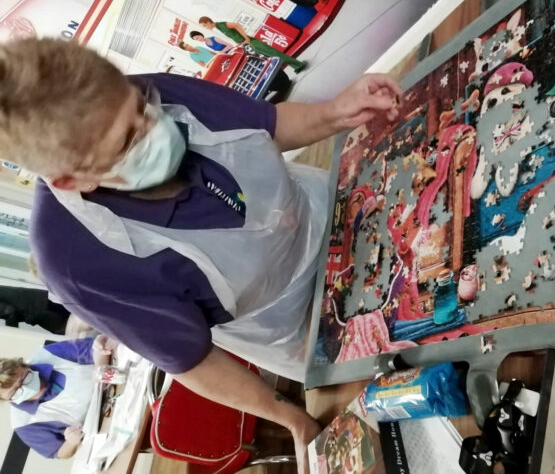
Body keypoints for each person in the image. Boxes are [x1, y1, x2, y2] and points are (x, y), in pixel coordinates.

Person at [0, 38, 401, 473]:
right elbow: (194, 362)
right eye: (129, 141)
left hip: (342, 214)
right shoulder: (76, 263)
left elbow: (266, 124)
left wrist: (336, 111)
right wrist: (291, 417)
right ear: (71, 180)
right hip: (303, 326)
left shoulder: (132, 95)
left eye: (142, 104)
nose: (155, 126)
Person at [0, 335, 114, 459]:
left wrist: (101, 370)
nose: (26, 389)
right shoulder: (23, 423)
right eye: (15, 392)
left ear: (25, 366)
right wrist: (71, 442)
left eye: (25, 378)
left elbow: (98, 347)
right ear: (6, 399)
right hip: (108, 428)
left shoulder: (50, 355)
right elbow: (58, 453)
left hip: (118, 384)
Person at [198, 16, 308, 72]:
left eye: (204, 25)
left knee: (274, 53)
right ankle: (295, 65)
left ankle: (299, 65)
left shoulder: (222, 24)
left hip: (250, 42)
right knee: (271, 56)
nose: (205, 27)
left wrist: (246, 38)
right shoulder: (218, 28)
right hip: (246, 44)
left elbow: (237, 25)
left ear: (208, 22)